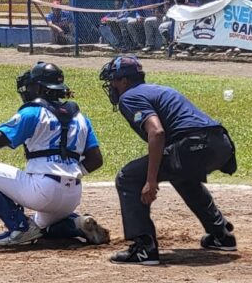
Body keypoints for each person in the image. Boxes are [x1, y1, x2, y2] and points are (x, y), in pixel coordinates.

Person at [0, 62, 108, 247]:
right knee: (40, 226)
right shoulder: (81, 118)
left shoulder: (33, 112)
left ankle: (19, 228)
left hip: (42, 191)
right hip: (72, 196)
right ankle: (77, 224)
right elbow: (96, 160)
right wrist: (70, 172)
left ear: (39, 88)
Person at [99, 55, 237, 265]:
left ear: (124, 81)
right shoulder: (157, 89)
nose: (112, 86)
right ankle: (221, 235)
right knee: (181, 174)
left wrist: (151, 180)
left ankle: (144, 247)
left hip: (194, 145)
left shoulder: (130, 97)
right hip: (221, 144)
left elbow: (157, 132)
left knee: (128, 177)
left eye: (114, 81)